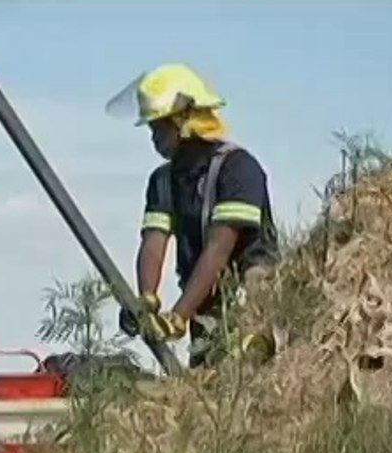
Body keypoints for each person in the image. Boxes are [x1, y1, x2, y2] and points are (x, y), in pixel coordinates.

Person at [108, 63, 280, 367]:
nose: (154, 138)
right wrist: (147, 299)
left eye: (159, 127)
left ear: (184, 120)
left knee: (246, 377)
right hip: (202, 300)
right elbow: (153, 241)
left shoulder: (238, 168)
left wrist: (178, 316)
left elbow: (219, 248)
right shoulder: (163, 180)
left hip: (248, 297)